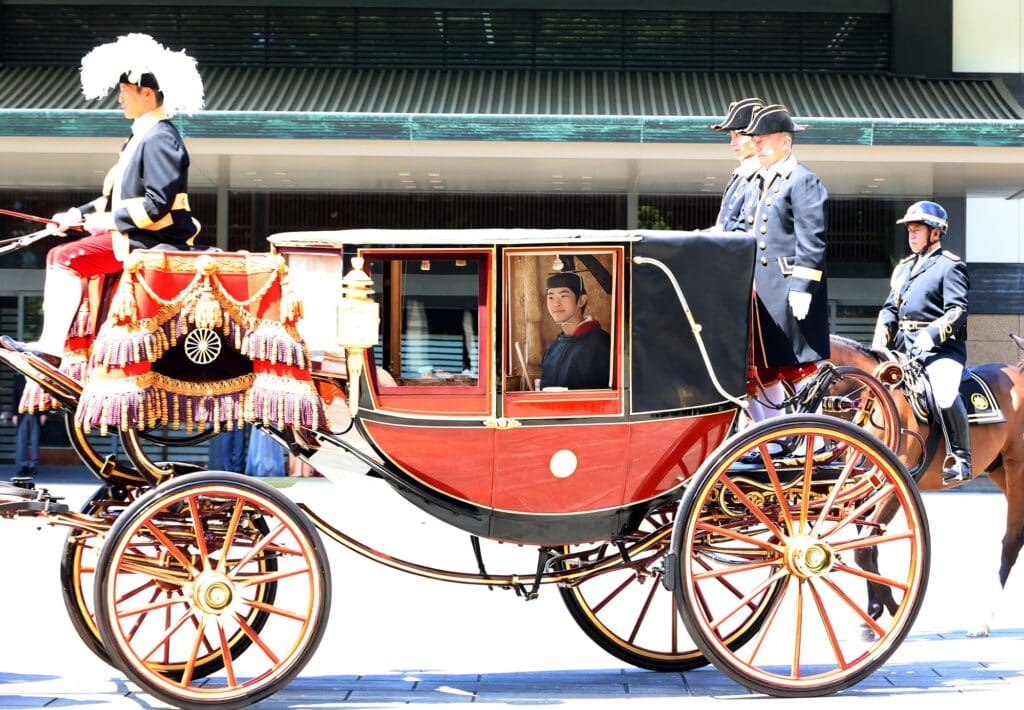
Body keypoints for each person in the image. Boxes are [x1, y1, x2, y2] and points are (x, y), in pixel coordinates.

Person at [2, 33, 203, 367]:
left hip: (153, 239)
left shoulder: (161, 137)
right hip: (134, 234)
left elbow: (157, 205)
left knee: (63, 258)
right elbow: (108, 201)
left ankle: (51, 347)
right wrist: (74, 214)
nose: (119, 99)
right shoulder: (140, 137)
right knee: (59, 252)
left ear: (147, 94)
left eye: (125, 92)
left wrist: (104, 223)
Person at [738, 104, 830, 419]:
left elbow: (811, 239)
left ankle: (815, 438)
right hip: (760, 293)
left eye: (763, 138)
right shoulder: (759, 181)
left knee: (797, 369)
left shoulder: (802, 180)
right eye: (756, 139)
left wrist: (802, 286)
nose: (757, 145)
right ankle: (771, 438)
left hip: (787, 290)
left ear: (785, 142)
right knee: (763, 370)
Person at [872, 201, 972, 485]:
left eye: (917, 230)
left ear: (936, 233)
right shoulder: (903, 268)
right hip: (904, 349)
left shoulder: (950, 266)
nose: (911, 235)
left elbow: (957, 310)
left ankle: (960, 457)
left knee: (942, 391)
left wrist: (931, 334)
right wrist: (881, 334)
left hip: (940, 352)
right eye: (910, 230)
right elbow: (890, 308)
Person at [540, 270, 611, 390]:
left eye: (563, 296)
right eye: (551, 297)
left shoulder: (601, 344)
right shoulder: (552, 349)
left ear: (581, 301)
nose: (556, 304)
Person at [710, 97, 764, 231]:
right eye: (731, 135)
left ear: (756, 136)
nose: (732, 142)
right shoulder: (740, 174)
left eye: (738, 135)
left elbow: (745, 227)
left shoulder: (763, 175)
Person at [12, 373, 46, 477]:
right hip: (22, 414)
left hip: (35, 413)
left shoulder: (38, 377)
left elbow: (43, 396)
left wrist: (43, 413)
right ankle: (22, 466)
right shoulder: (18, 378)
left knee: (34, 441)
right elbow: (15, 396)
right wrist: (14, 414)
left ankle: (33, 466)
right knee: (21, 440)